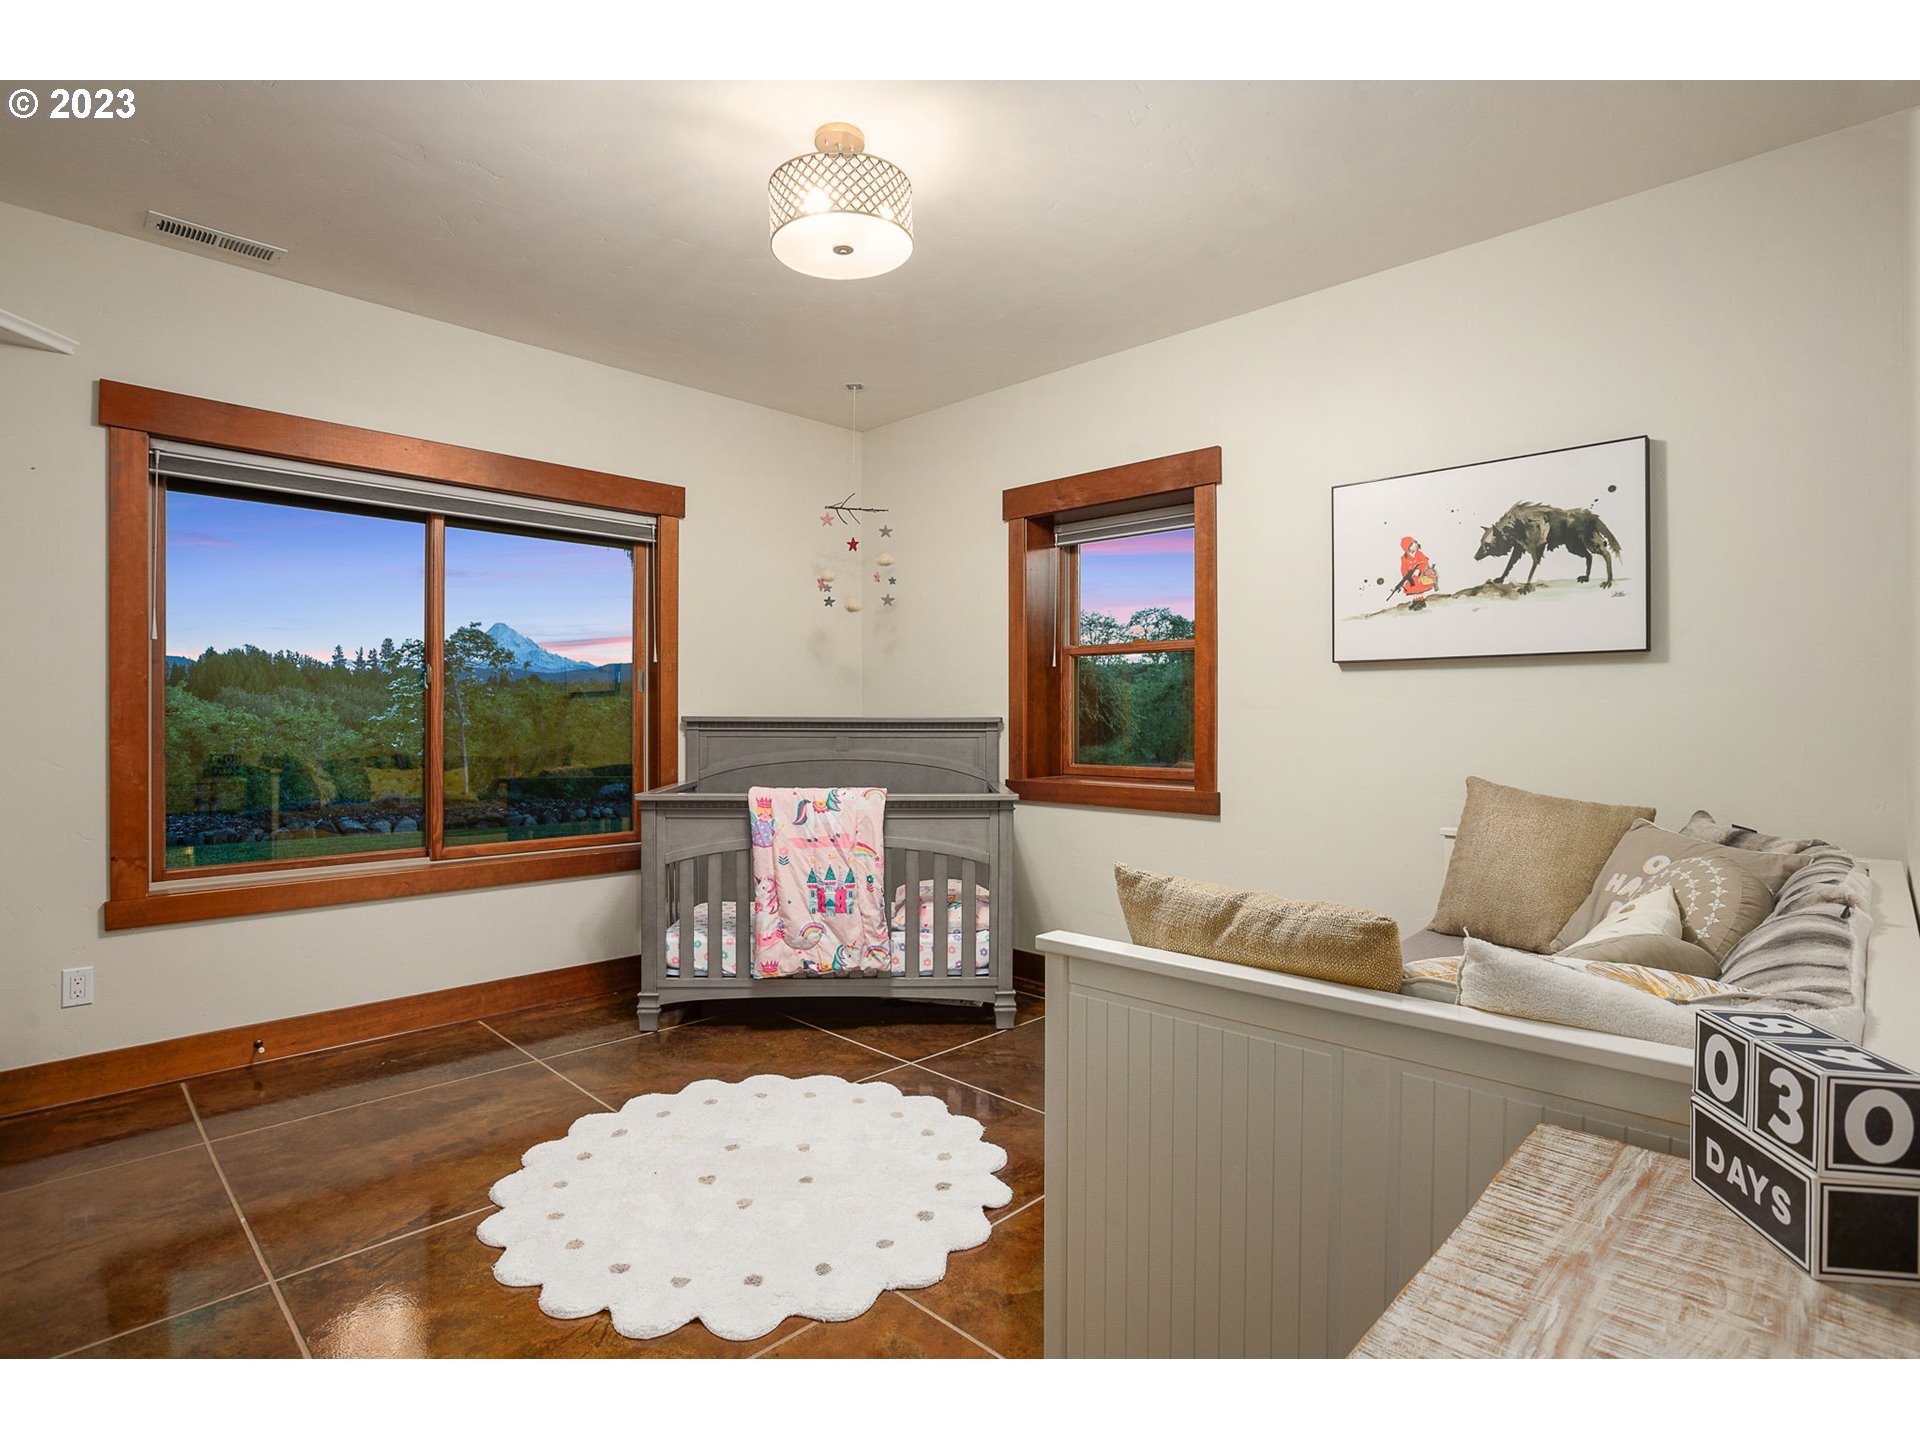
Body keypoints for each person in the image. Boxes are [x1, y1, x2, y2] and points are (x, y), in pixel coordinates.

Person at [1398, 535, 1437, 611]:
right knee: (1413, 588)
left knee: (1418, 587)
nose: (1415, 545)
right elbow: (1403, 568)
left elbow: (1424, 562)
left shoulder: (1419, 553)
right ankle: (1416, 601)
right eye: (1412, 544)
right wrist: (1406, 576)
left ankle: (1421, 602)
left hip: (1421, 575)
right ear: (1407, 548)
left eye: (1415, 542)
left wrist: (1419, 569)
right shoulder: (1404, 558)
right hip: (1411, 577)